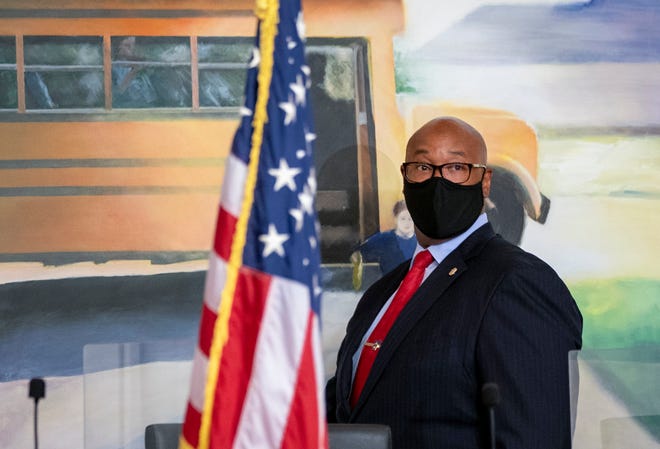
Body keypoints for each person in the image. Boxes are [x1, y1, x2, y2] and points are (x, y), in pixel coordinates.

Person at [325, 117, 583, 449]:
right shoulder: (381, 293)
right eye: (422, 166)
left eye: (457, 167)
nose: (438, 180)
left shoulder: (517, 281)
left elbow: (534, 437)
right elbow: (343, 415)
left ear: (485, 182)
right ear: (405, 177)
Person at [351, 200, 417, 289]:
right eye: (403, 218)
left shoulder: (421, 242)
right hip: (389, 289)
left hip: (415, 290)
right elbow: (358, 253)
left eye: (410, 219)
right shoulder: (384, 238)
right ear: (396, 219)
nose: (407, 223)